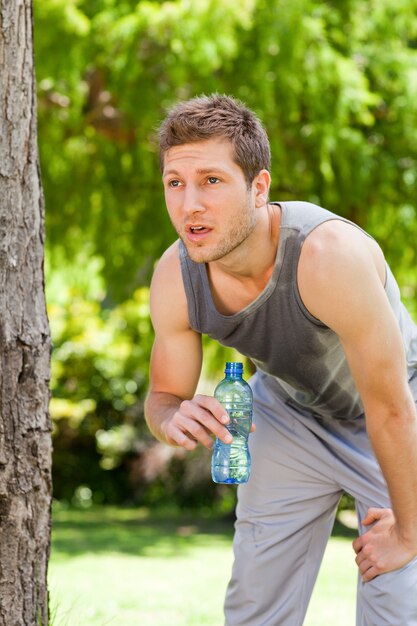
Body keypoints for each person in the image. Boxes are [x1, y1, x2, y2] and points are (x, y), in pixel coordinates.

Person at [144, 93, 417, 625]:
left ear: (258, 186)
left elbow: (391, 408)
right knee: (255, 608)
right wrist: (171, 417)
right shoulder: (176, 276)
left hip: (396, 409)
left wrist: (409, 531)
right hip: (292, 413)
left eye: (212, 181)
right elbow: (162, 398)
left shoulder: (326, 255)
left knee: (398, 599)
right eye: (175, 183)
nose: (189, 204)